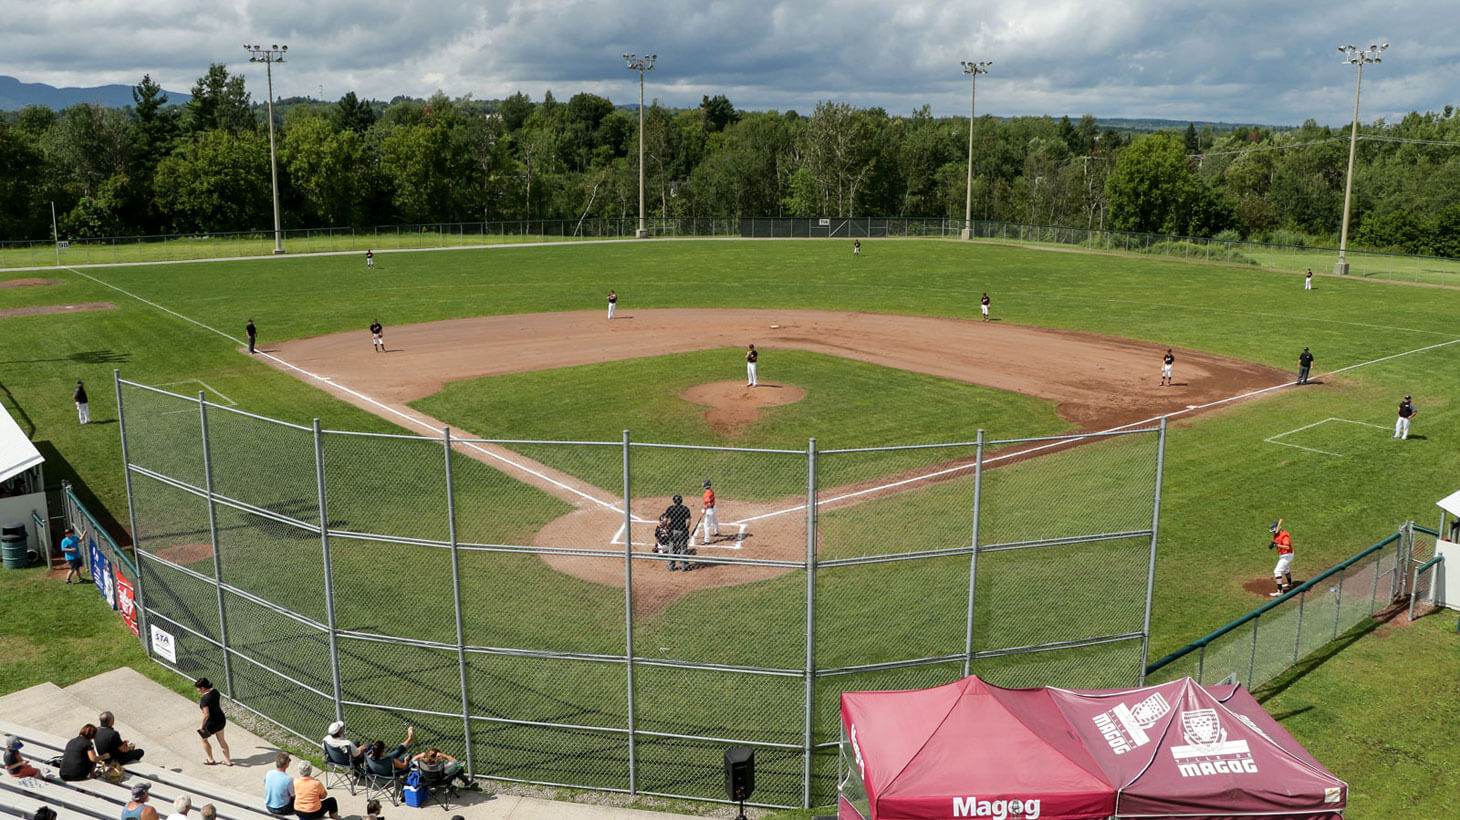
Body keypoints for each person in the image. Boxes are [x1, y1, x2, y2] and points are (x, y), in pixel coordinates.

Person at [194, 678, 232, 766]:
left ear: (203, 688)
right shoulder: (215, 692)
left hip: (211, 723)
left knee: (204, 740)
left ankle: (210, 759)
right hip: (220, 719)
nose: (198, 690)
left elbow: (206, 714)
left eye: (199, 688)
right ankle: (228, 761)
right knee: (222, 740)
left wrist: (202, 726)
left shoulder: (204, 699)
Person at [662, 494, 692, 572]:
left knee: (672, 548)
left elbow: (665, 520)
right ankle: (684, 566)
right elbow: (688, 521)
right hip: (682, 530)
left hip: (672, 531)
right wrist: (686, 529)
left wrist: (664, 526)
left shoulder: (670, 508)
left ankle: (671, 566)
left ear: (674, 501)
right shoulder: (685, 509)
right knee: (683, 548)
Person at [1268, 519, 1293, 596]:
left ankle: (1280, 591)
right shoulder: (1276, 534)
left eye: (1273, 531)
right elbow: (1275, 540)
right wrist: (1272, 544)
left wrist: (1277, 545)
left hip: (1287, 555)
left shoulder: (1285, 535)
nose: (1273, 532)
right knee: (1286, 569)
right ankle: (1290, 584)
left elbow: (1287, 547)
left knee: (1277, 571)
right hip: (1283, 555)